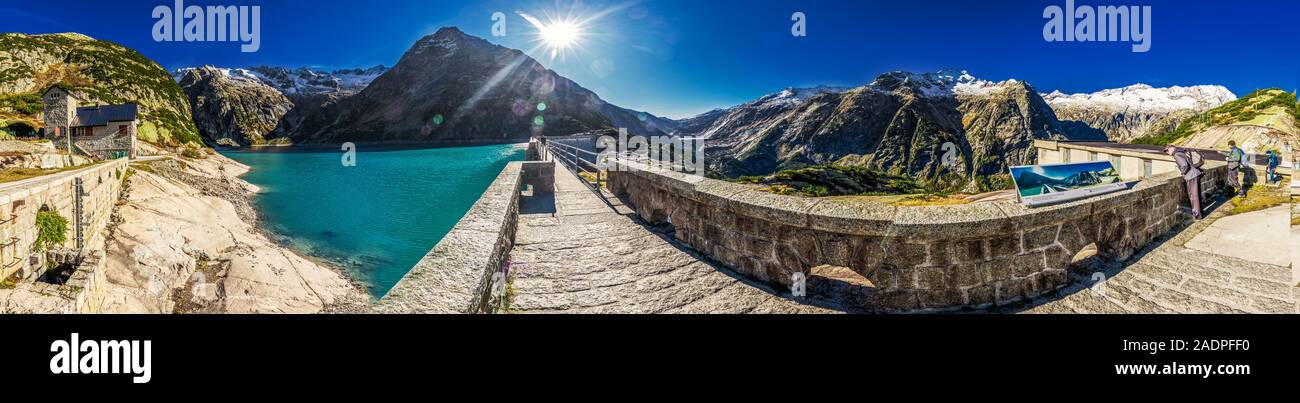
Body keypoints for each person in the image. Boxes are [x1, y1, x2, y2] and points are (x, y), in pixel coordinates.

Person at [1167, 144, 1203, 220]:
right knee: (1197, 195)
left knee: (1193, 196)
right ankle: (1200, 212)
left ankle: (1197, 214)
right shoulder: (1181, 152)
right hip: (1196, 174)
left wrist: (1183, 173)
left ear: (1171, 148)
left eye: (1167, 150)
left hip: (1191, 176)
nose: (1167, 152)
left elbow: (1184, 165)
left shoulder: (1176, 154)